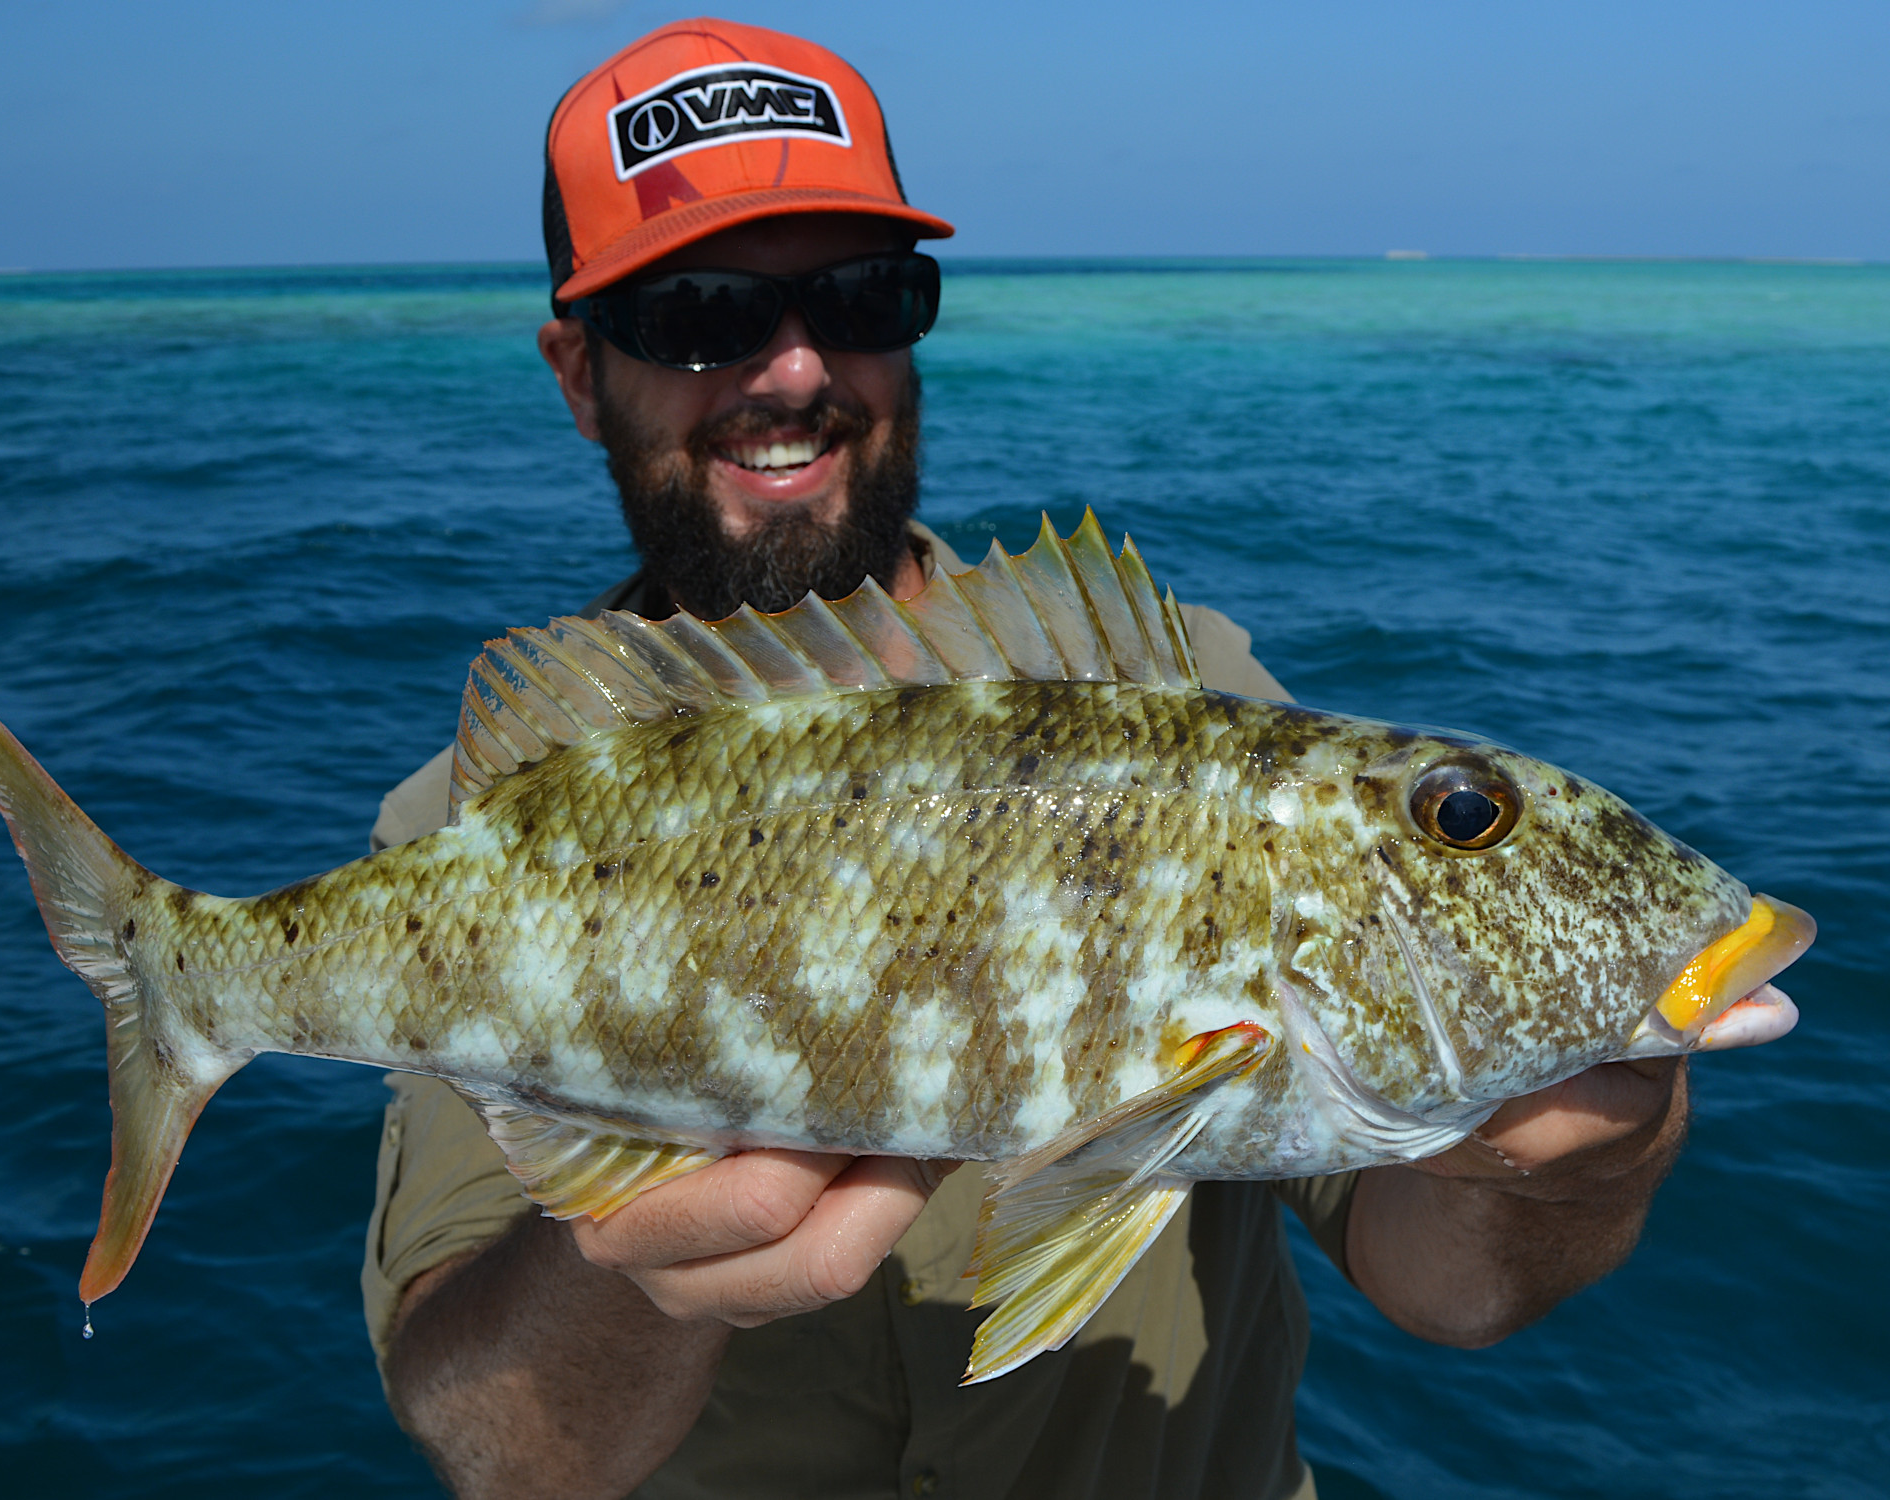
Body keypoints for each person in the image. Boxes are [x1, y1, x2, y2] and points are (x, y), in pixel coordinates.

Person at [361, 20, 1689, 1500]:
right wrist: (624, 1261)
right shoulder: (466, 830)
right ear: (576, 370)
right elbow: (498, 1454)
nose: (791, 368)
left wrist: (1578, 1157)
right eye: (696, 312)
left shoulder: (1197, 697)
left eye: (861, 293)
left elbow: (1454, 1290)